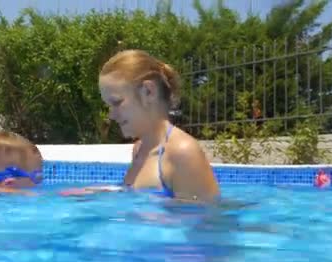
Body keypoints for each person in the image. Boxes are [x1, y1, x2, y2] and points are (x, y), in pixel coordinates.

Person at [63, 49, 220, 204]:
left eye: (117, 103)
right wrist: (96, 192)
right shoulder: (139, 149)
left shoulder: (182, 153)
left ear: (148, 92)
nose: (111, 115)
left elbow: (208, 223)